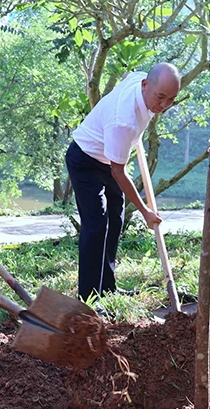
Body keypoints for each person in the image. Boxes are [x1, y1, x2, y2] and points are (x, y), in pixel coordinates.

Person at [66, 64, 181, 303]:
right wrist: (146, 212)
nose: (163, 105)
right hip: (86, 159)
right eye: (160, 97)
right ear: (145, 86)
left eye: (170, 99)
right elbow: (118, 172)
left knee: (115, 220)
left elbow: (128, 75)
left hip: (110, 156)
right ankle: (89, 299)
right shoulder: (123, 121)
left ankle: (107, 287)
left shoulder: (139, 80)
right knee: (97, 225)